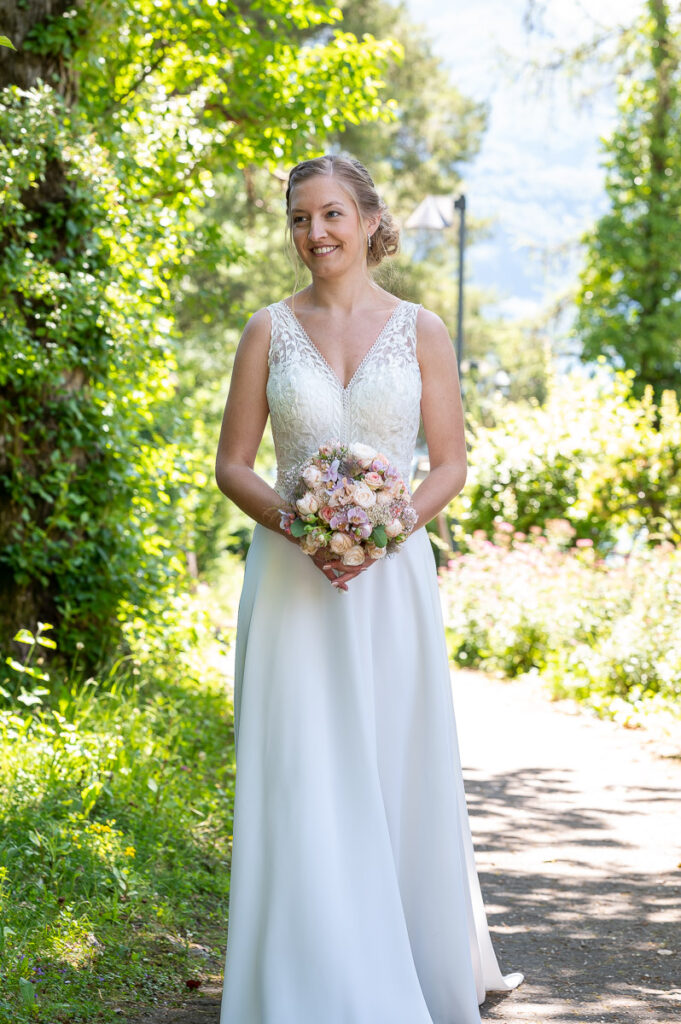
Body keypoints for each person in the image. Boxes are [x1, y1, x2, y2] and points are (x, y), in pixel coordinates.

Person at [214, 154, 523, 1023]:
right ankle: (302, 973)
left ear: (368, 220)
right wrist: (299, 527)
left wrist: (381, 532)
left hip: (392, 582)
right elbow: (232, 466)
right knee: (300, 766)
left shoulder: (419, 328)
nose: (315, 234)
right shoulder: (265, 331)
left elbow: (451, 464)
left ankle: (411, 961)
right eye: (299, 219)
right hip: (290, 582)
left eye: (330, 215)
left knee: (392, 758)